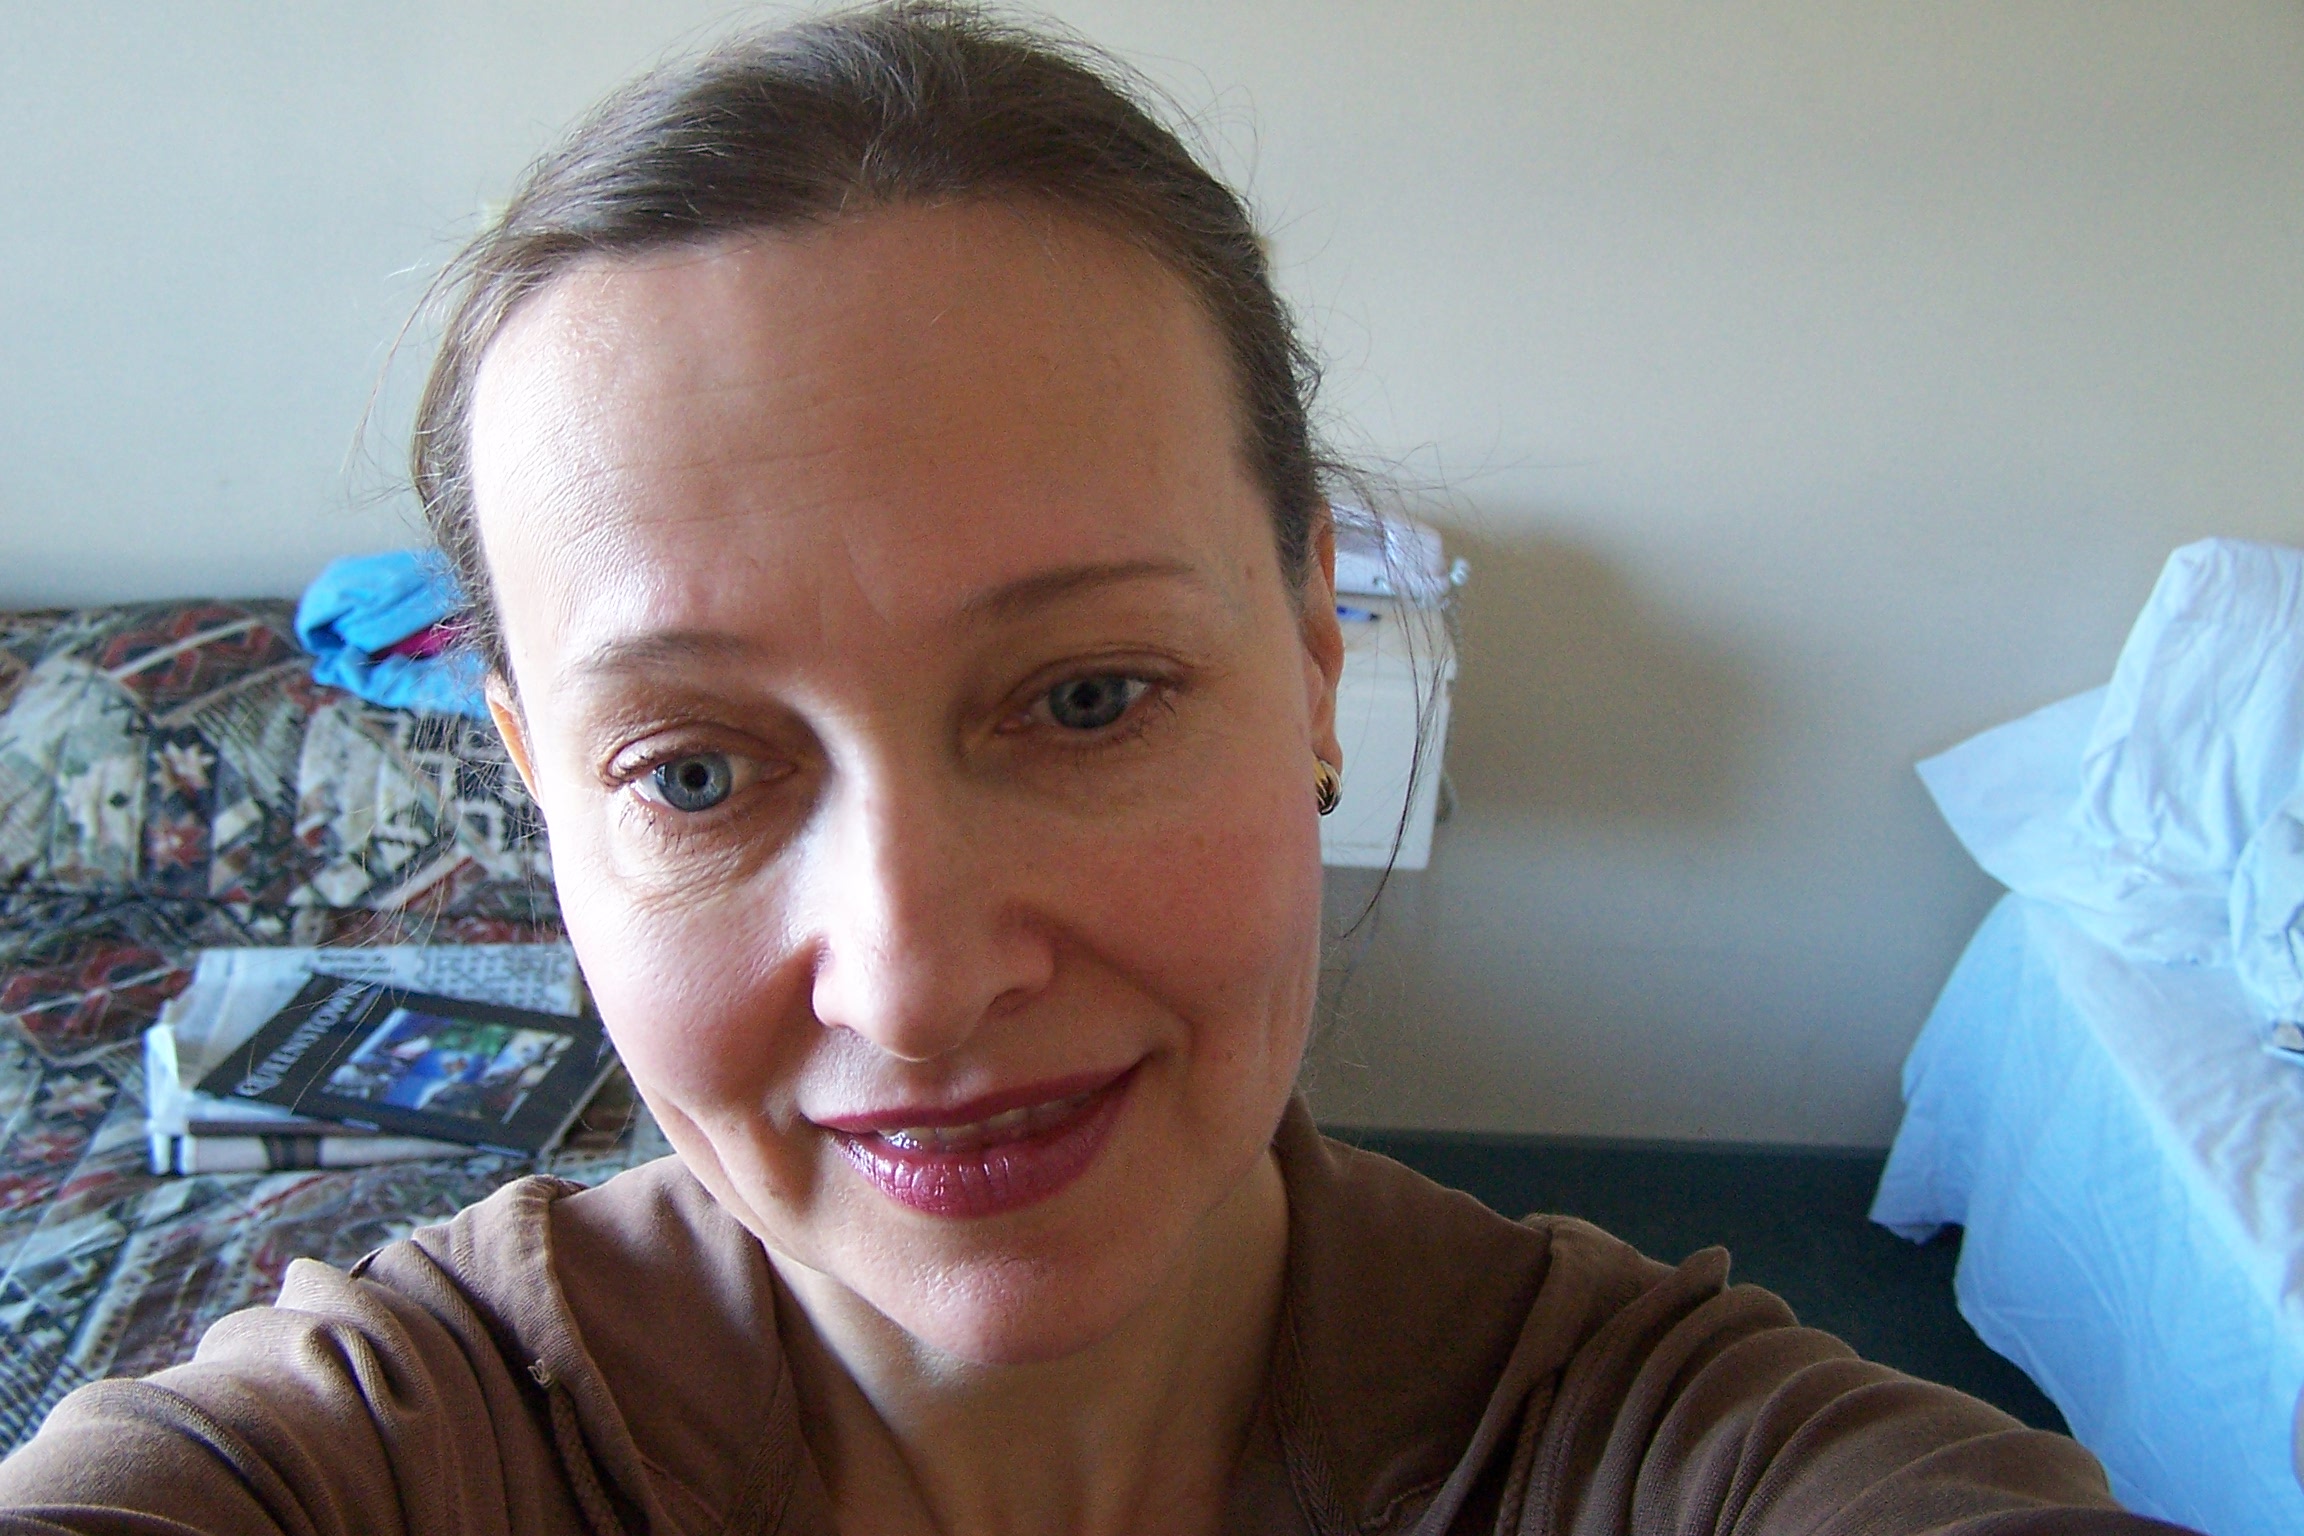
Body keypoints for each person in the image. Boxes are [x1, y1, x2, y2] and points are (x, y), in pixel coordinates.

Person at [0, 6, 2191, 1534]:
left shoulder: (1685, 1462)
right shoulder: (369, 1458)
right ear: (534, 791)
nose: (918, 983)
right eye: (694, 775)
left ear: (1315, 654)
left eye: (1084, 699)